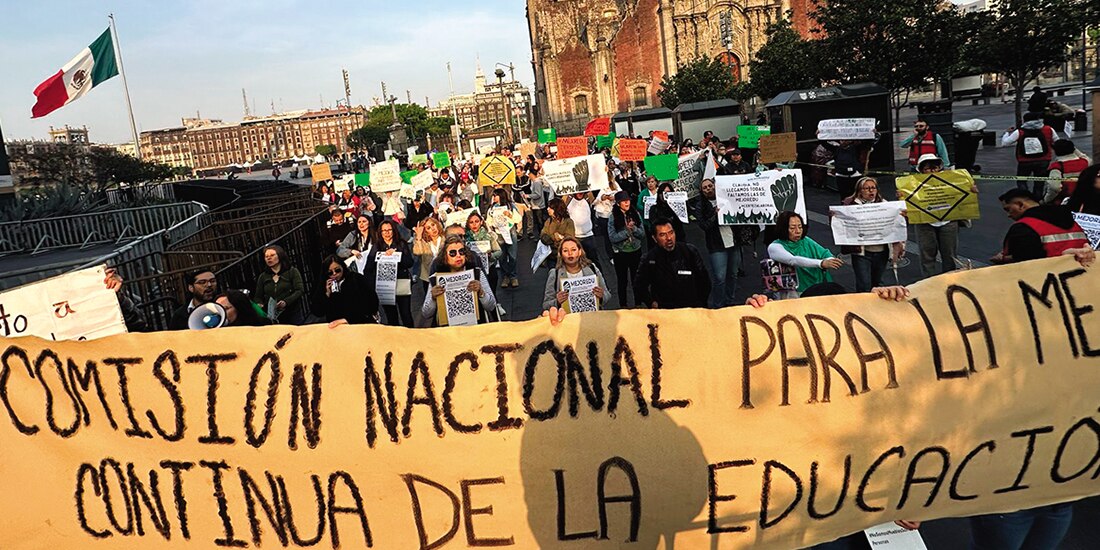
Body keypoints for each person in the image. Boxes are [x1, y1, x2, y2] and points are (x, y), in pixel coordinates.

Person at [690, 178, 757, 308]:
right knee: (720, 278)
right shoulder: (700, 206)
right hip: (717, 246)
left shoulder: (727, 198)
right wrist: (715, 215)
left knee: (733, 275)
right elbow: (704, 226)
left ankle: (730, 301)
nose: (708, 189)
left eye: (710, 186)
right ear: (701, 191)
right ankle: (718, 305)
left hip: (734, 242)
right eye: (705, 188)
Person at [993, 188, 1092, 265]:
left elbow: (1023, 261)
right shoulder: (1070, 220)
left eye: (1008, 209)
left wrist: (1003, 259)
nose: (1008, 215)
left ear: (1020, 205)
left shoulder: (1023, 228)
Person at [838, 177, 903, 292]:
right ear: (860, 191)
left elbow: (896, 224)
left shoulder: (885, 204)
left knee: (878, 283)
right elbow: (840, 224)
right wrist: (834, 216)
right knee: (864, 284)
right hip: (862, 252)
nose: (871, 191)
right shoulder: (850, 205)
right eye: (867, 188)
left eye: (873, 188)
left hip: (881, 251)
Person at [634, 217, 710, 309]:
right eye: (663, 235)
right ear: (654, 238)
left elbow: (704, 281)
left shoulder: (689, 251)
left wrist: (700, 304)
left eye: (671, 233)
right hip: (665, 310)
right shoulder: (649, 259)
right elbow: (639, 285)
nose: (669, 238)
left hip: (690, 309)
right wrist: (651, 303)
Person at [907, 154, 964, 277]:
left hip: (948, 222)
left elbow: (963, 196)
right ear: (921, 170)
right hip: (925, 223)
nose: (932, 171)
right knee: (926, 255)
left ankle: (950, 281)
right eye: (928, 168)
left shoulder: (951, 181)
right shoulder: (913, 185)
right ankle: (929, 281)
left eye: (935, 167)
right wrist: (902, 196)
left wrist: (971, 191)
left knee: (950, 255)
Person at [422, 235, 498, 325]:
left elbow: (491, 306)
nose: (458, 256)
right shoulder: (436, 278)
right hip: (448, 330)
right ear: (445, 256)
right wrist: (433, 298)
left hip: (474, 327)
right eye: (453, 253)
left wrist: (481, 293)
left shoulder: (477, 273)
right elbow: (426, 313)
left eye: (461, 252)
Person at [767, 211, 843, 296]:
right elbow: (792, 260)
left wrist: (831, 260)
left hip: (816, 287)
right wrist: (821, 263)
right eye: (792, 228)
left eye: (800, 227)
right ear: (783, 229)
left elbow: (825, 253)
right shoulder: (774, 247)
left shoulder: (806, 240)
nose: (798, 231)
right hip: (792, 292)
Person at [541, 236, 610, 311]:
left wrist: (601, 296)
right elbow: (546, 305)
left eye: (573, 250)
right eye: (565, 251)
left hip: (591, 316)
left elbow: (607, 295)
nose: (570, 253)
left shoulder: (592, 268)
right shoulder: (555, 274)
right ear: (561, 254)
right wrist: (557, 302)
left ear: (580, 252)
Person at [367, 219, 415, 327]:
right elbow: (368, 267)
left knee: (406, 315)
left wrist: (397, 255)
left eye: (389, 230)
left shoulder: (401, 244)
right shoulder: (377, 246)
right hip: (385, 287)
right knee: (391, 317)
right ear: (380, 232)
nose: (387, 233)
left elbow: (409, 262)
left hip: (401, 284)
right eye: (384, 230)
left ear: (394, 230)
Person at [1002, 112, 1056, 196]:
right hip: (1044, 159)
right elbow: (1056, 141)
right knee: (1039, 182)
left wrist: (1007, 133)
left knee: (1022, 180)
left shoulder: (1019, 132)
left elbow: (1005, 143)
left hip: (1025, 160)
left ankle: (1025, 196)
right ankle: (1037, 198)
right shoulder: (1048, 129)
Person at [608, 190, 645, 308]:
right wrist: (627, 232)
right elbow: (612, 237)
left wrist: (634, 229)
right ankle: (623, 305)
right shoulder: (613, 217)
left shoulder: (635, 214)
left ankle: (638, 303)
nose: (627, 203)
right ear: (618, 203)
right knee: (622, 281)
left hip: (635, 251)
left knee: (637, 280)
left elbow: (642, 233)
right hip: (621, 253)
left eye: (628, 200)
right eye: (624, 201)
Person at [320, 255, 378, 328]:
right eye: (330, 273)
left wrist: (347, 320)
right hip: (338, 328)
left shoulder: (356, 279)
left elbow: (371, 304)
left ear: (342, 267)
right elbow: (321, 311)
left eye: (337, 270)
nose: (334, 274)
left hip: (359, 326)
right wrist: (327, 294)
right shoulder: (327, 285)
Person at [253, 245, 305, 325]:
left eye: (272, 255)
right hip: (272, 315)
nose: (269, 258)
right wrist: (259, 303)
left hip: (291, 312)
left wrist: (286, 302)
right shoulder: (263, 276)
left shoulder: (292, 272)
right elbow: (258, 296)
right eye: (266, 256)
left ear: (280, 256)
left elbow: (299, 290)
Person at [489, 188, 521, 288]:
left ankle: (513, 276)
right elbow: (488, 220)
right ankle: (505, 277)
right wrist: (492, 226)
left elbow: (518, 218)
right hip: (498, 233)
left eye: (496, 195)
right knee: (502, 257)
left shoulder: (510, 206)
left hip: (510, 231)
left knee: (512, 256)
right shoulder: (492, 208)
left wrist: (510, 215)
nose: (494, 197)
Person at [465, 211, 503, 291]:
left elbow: (499, 251)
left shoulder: (488, 236)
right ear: (468, 224)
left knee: (491, 292)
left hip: (489, 269)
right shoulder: (465, 238)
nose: (474, 224)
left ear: (481, 222)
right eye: (471, 222)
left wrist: (491, 255)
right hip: (473, 271)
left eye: (476, 221)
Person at [1045, 140, 1091, 205]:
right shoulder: (1085, 162)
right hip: (1084, 197)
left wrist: (1046, 200)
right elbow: (1083, 155)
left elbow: (1054, 187)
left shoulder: (1057, 167)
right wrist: (1073, 148)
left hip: (1064, 200)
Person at [564, 192, 601, 264]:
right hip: (575, 237)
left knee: (594, 260)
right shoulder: (568, 199)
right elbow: (562, 205)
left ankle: (597, 271)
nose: (580, 193)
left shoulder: (587, 199)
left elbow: (593, 200)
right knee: (577, 261)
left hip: (589, 236)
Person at [412, 216, 445, 293]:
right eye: (428, 228)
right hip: (428, 277)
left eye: (433, 225)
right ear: (426, 231)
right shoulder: (424, 242)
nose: (433, 229)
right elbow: (417, 252)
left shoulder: (446, 238)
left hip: (444, 275)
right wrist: (419, 237)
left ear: (437, 224)